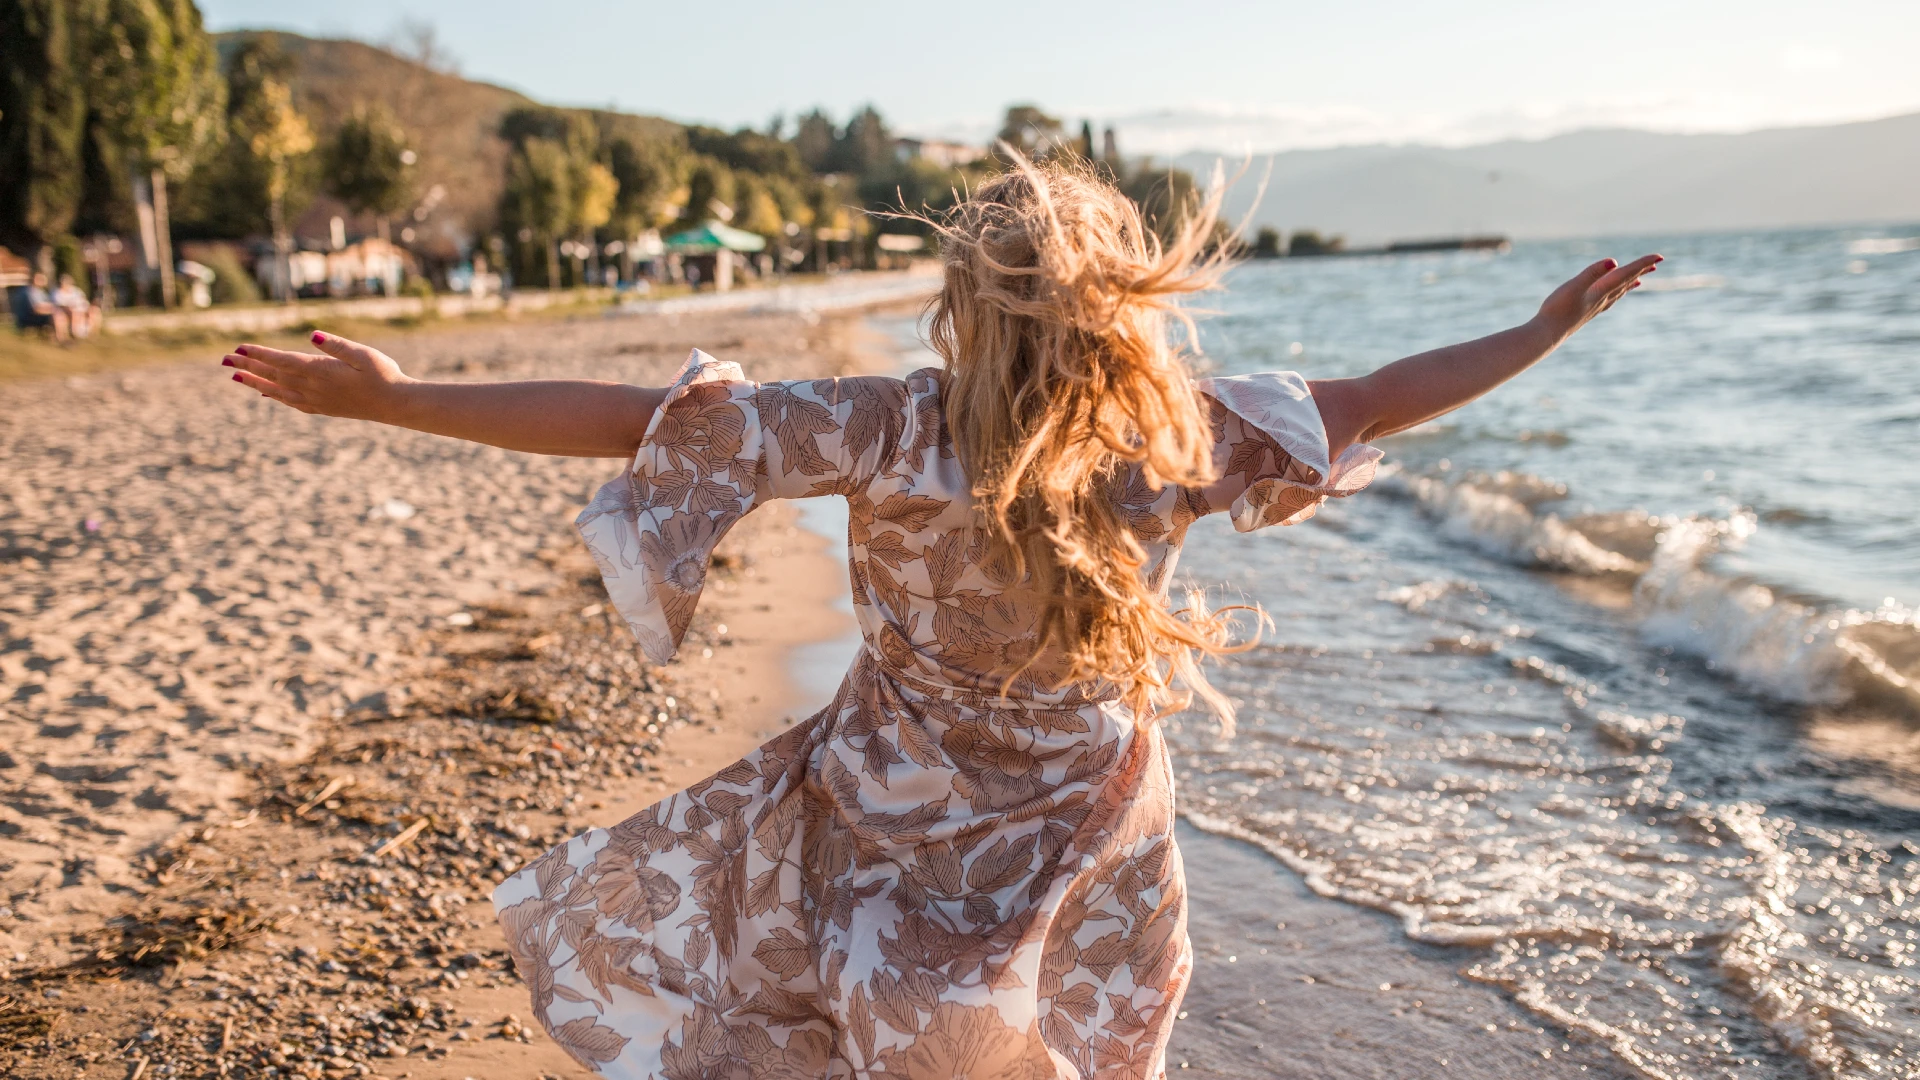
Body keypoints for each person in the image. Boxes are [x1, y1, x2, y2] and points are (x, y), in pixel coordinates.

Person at [220, 159, 1658, 1079]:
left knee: (895, 1024)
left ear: (963, 307)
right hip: (1090, 819)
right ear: (1122, 309)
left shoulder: (892, 424)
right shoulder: (1179, 431)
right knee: (1078, 1041)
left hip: (897, 810)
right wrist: (1538, 334)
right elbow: (1380, 398)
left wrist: (400, 400)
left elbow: (630, 422)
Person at [11, 272, 70, 342]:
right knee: (56, 315)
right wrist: (52, 310)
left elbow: (49, 304)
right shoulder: (29, 291)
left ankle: (65, 337)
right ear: (34, 279)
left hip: (37, 316)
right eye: (41, 279)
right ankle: (61, 338)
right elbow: (36, 309)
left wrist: (53, 309)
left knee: (60, 314)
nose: (43, 281)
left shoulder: (40, 292)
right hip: (29, 318)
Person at [54, 274, 101, 338]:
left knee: (95, 311)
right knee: (74, 312)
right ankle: (75, 332)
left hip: (82, 308)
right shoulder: (57, 293)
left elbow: (83, 300)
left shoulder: (76, 291)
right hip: (69, 311)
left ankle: (93, 333)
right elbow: (61, 305)